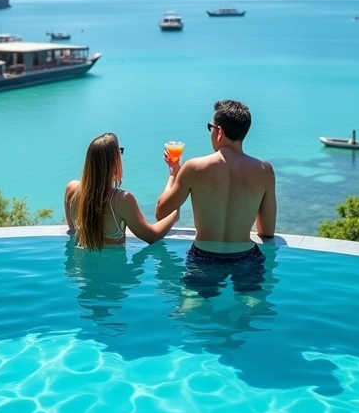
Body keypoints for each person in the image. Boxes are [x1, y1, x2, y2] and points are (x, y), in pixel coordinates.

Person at [155, 99, 276, 279]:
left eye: (211, 127)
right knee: (254, 303)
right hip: (246, 256)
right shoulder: (264, 171)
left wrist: (174, 173)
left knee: (192, 303)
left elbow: (161, 212)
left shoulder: (193, 167)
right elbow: (267, 231)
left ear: (219, 132)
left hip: (203, 257)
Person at [65, 132, 179, 250]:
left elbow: (72, 232)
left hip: (82, 267)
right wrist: (175, 214)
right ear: (115, 161)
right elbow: (151, 236)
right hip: (113, 267)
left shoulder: (72, 189)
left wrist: (172, 176)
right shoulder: (122, 200)